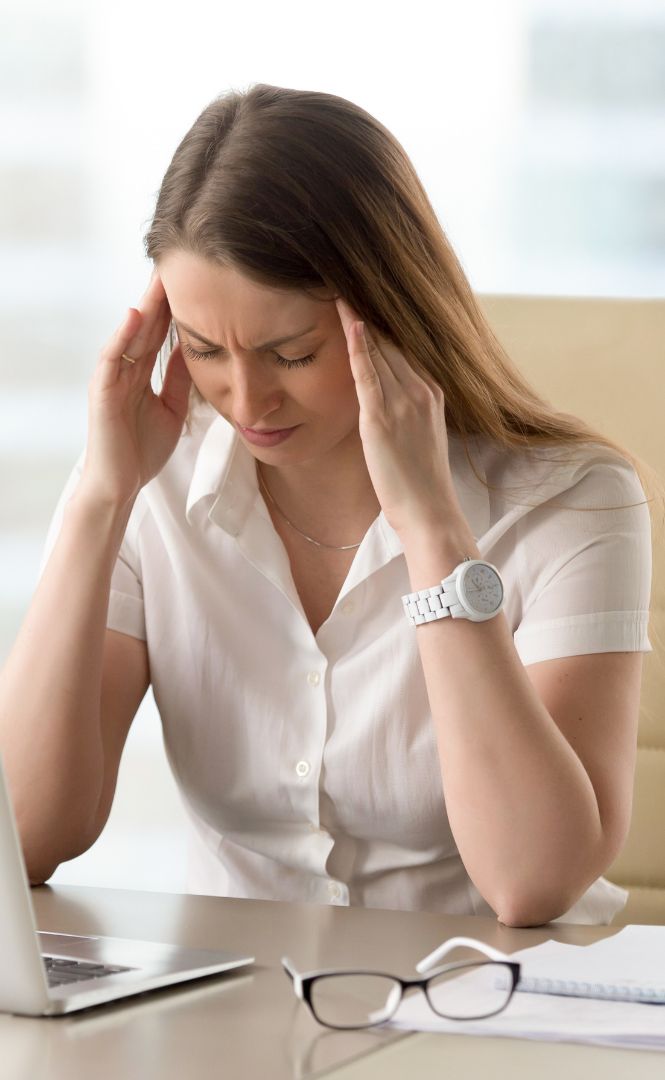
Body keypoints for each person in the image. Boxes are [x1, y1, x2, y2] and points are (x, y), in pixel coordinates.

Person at [0, 84, 653, 927]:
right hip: (234, 1017)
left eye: (289, 353)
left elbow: (530, 883)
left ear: (391, 315)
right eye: (203, 349)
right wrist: (100, 496)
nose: (245, 399)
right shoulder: (148, 486)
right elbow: (25, 834)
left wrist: (431, 530)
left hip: (491, 1011)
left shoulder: (573, 503)